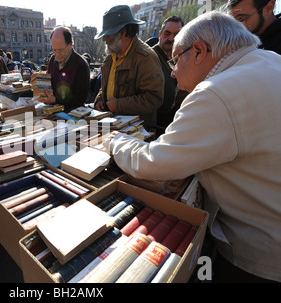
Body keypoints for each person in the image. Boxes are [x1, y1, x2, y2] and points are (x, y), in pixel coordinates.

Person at [103, 11, 281, 283]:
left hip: (259, 254)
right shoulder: (269, 60)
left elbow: (155, 164)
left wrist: (115, 141)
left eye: (176, 60)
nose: (173, 72)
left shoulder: (215, 92)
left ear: (198, 51)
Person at [94, 5, 164, 128]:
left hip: (137, 133)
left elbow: (154, 98)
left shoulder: (146, 57)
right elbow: (107, 84)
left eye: (108, 35)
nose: (104, 39)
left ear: (123, 32)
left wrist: (120, 105)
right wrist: (100, 99)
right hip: (113, 127)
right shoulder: (111, 55)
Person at [152, 16, 189, 130]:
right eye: (167, 34)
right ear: (160, 34)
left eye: (176, 35)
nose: (171, 38)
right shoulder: (150, 56)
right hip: (155, 123)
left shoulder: (182, 58)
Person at [44, 26, 90, 112]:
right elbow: (49, 85)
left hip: (73, 114)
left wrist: (56, 100)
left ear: (71, 44)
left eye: (61, 50)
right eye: (54, 50)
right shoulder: (52, 60)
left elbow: (80, 98)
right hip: (53, 111)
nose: (57, 54)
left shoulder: (81, 65)